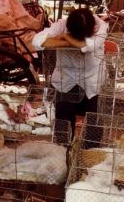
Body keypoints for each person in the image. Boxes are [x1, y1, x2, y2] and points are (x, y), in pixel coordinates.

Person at [32, 8, 108, 139]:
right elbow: (37, 41)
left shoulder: (101, 26)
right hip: (66, 78)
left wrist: (65, 37)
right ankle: (64, 146)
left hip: (91, 79)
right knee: (63, 120)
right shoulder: (62, 24)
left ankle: (90, 147)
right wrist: (73, 42)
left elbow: (89, 46)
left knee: (93, 120)